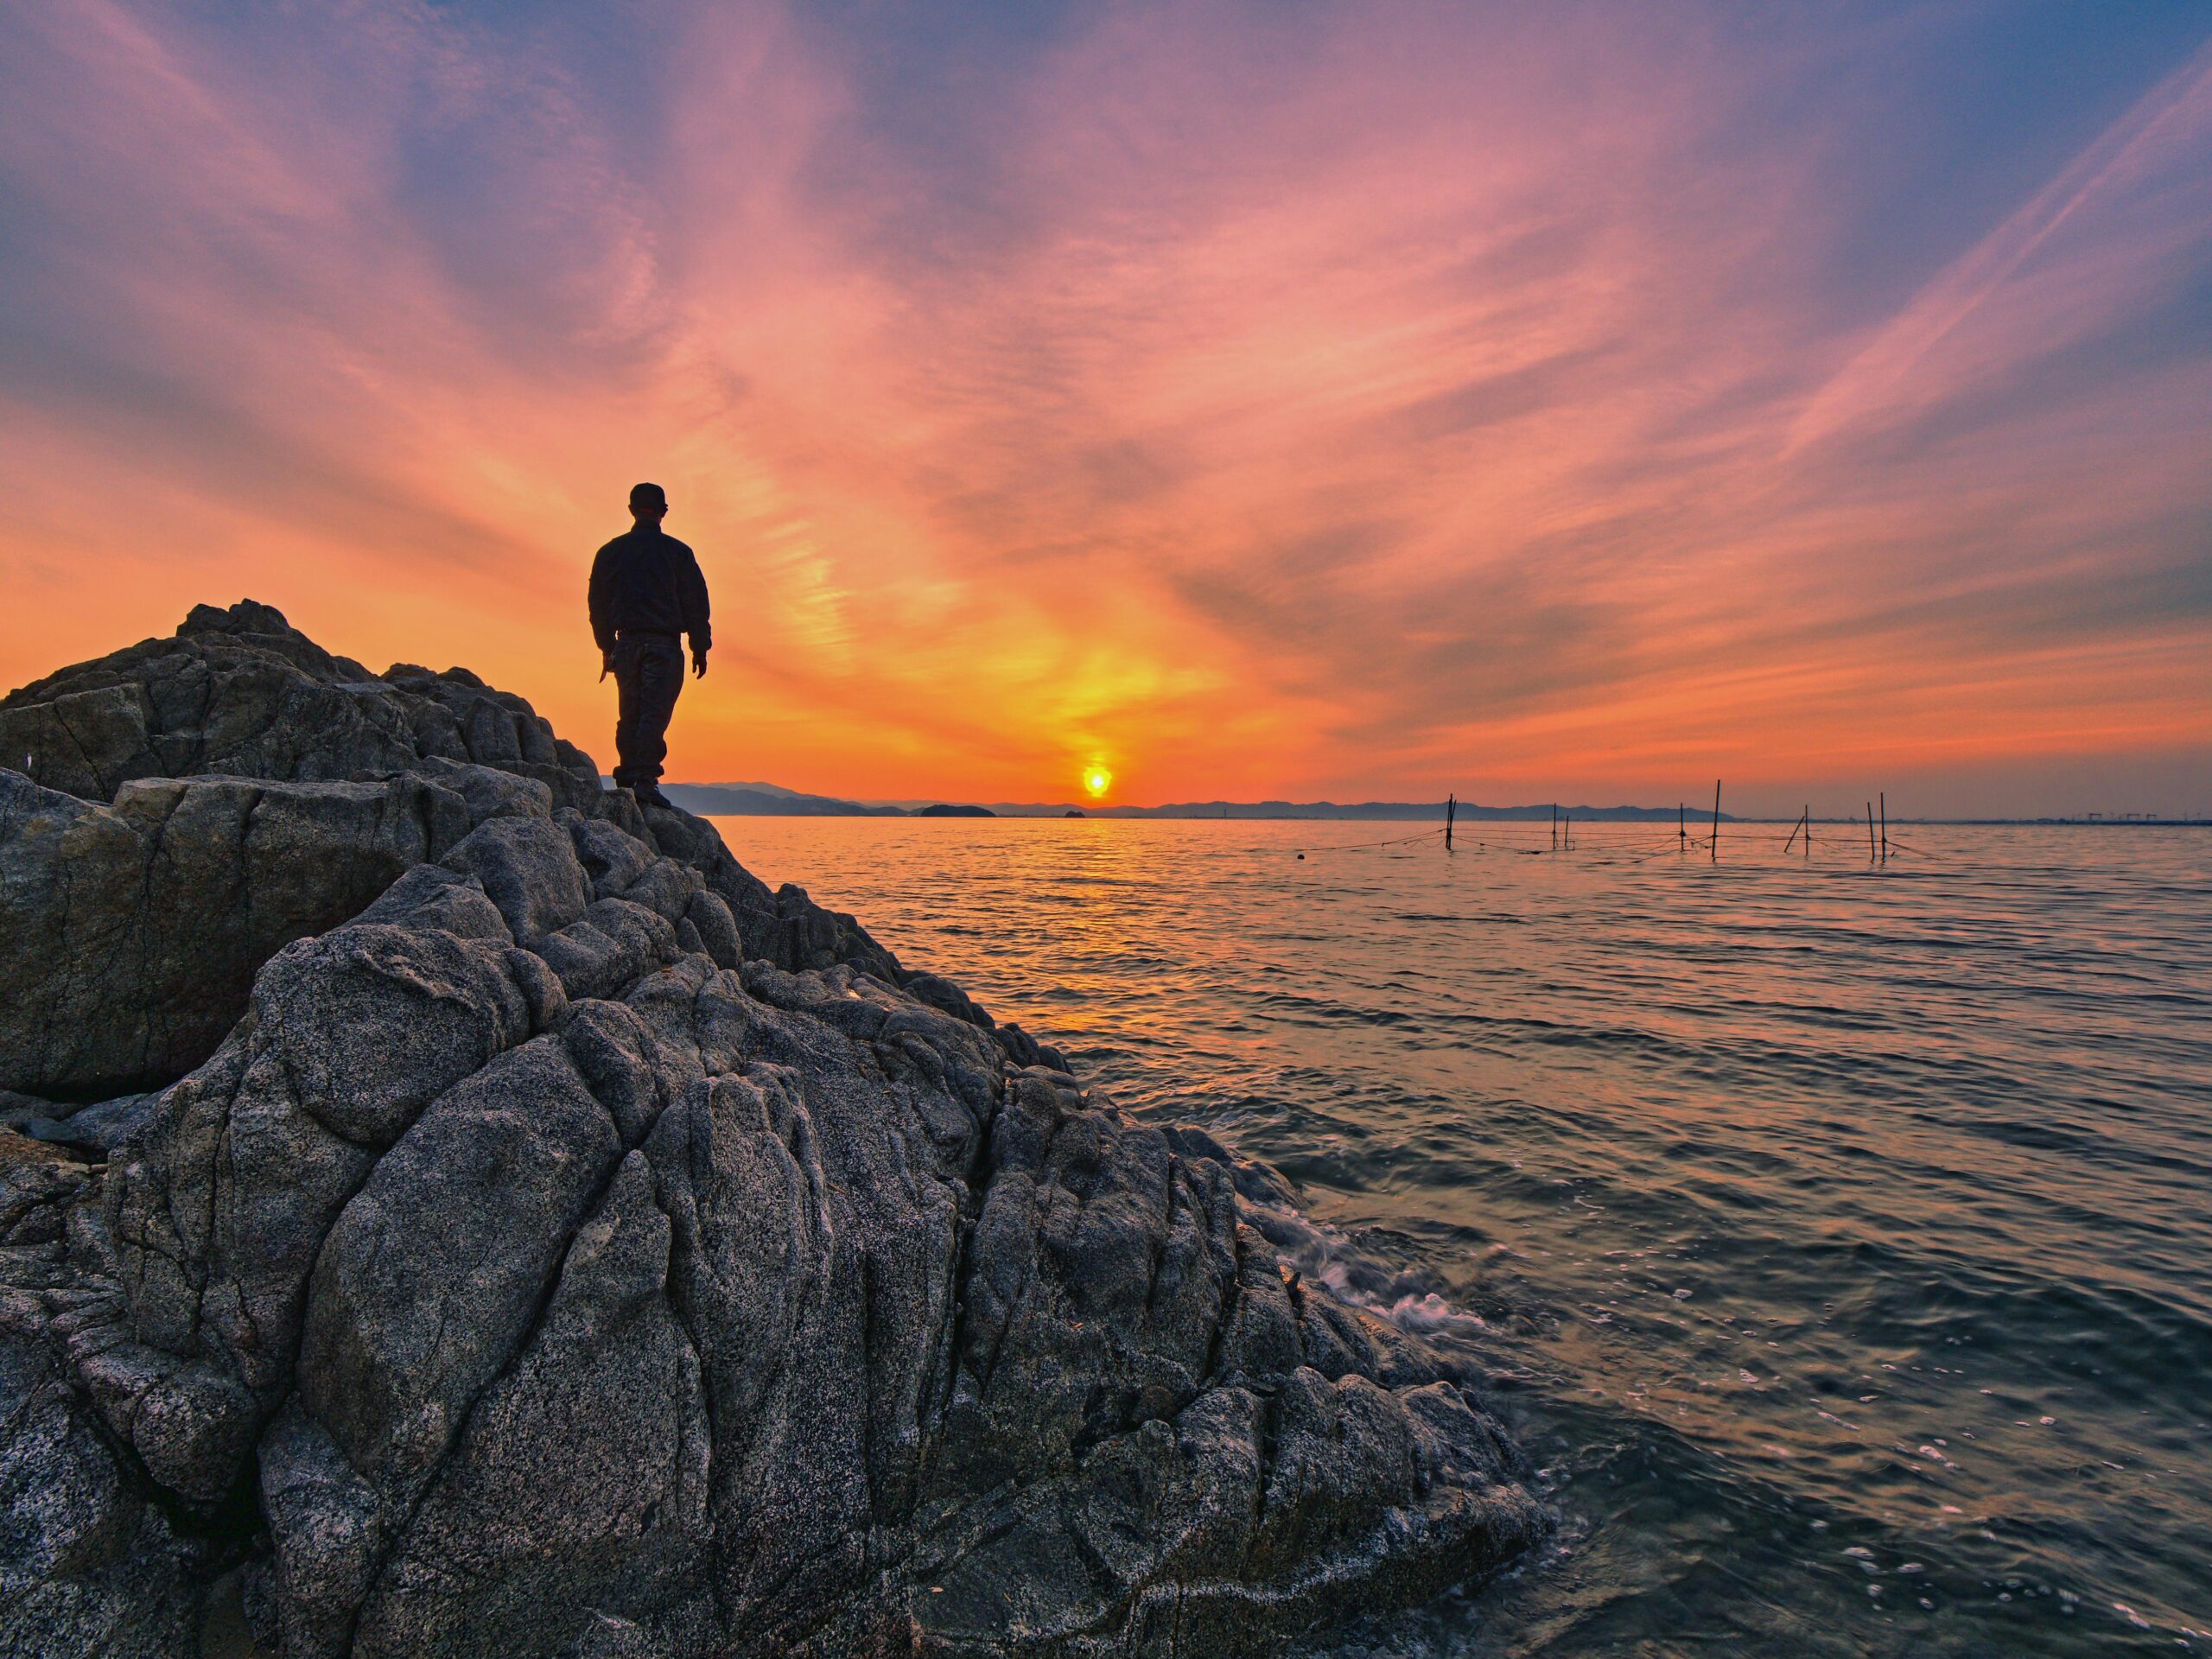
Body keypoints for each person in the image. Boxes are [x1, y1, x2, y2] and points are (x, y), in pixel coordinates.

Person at [588, 482, 710, 810]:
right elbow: (696, 603)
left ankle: (628, 776)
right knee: (653, 714)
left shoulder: (610, 552)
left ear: (631, 510)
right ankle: (643, 780)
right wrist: (700, 646)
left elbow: (596, 605)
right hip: (664, 645)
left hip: (625, 644)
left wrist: (606, 646)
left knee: (630, 711)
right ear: (663, 513)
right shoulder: (678, 553)